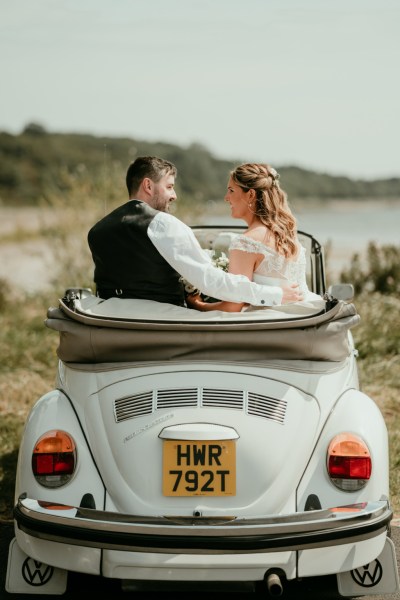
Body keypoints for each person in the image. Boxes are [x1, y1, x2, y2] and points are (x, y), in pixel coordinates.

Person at [88, 156, 303, 308]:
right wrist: (274, 294)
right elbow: (210, 280)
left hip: (110, 323)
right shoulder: (164, 224)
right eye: (170, 186)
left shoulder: (98, 230)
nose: (174, 195)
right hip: (160, 325)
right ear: (148, 186)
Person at [186, 162, 319, 312]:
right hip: (306, 314)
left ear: (250, 195)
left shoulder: (246, 243)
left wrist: (197, 304)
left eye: (231, 190)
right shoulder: (289, 236)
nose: (226, 197)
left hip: (266, 325)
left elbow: (232, 307)